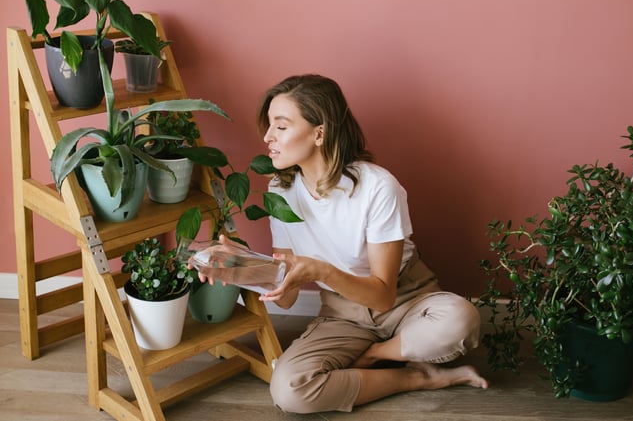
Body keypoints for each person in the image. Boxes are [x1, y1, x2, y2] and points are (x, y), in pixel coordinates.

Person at [198, 74, 488, 414]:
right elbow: (288, 294)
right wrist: (242, 268)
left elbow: (383, 295)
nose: (267, 137)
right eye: (269, 126)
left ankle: (375, 355)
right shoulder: (280, 190)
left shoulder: (378, 187)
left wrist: (321, 271)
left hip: (405, 299)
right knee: (289, 391)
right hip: (342, 314)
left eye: (281, 126)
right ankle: (416, 378)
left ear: (319, 133)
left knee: (461, 318)